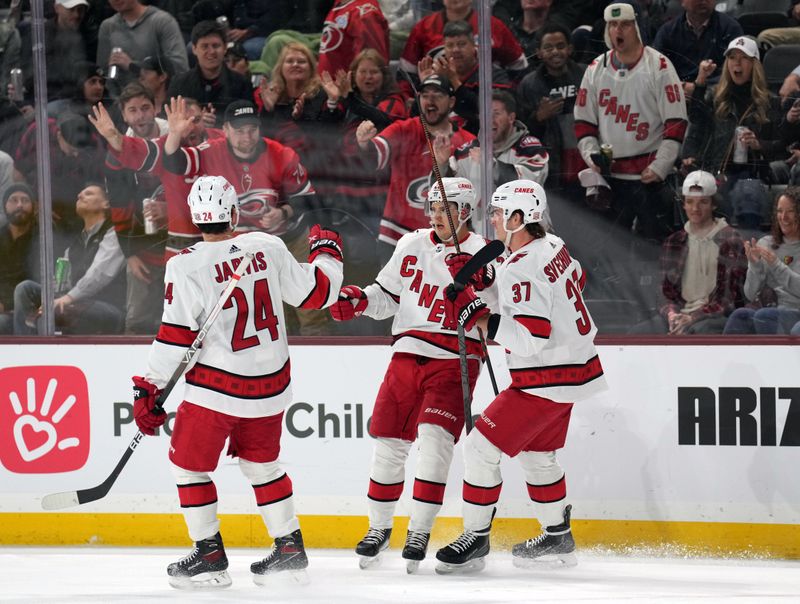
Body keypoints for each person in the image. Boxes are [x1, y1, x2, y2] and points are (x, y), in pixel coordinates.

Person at [130, 175, 344, 589]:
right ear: (232, 212)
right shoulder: (268, 245)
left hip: (217, 391)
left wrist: (148, 387)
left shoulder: (184, 263)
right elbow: (316, 295)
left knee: (188, 469)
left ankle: (209, 556)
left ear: (195, 218)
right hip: (270, 387)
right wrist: (327, 254)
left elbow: (175, 335)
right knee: (262, 466)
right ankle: (289, 548)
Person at [434, 179, 607, 574]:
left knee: (478, 447)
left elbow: (530, 338)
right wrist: (486, 285)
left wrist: (478, 314)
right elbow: (568, 283)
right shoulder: (553, 246)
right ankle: (558, 537)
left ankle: (476, 538)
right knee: (538, 454)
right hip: (574, 370)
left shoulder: (524, 265)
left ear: (518, 217)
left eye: (497, 212)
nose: (491, 219)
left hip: (544, 378)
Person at [329, 177, 499, 572]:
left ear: (466, 212)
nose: (438, 216)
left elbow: (493, 314)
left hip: (456, 355)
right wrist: (359, 301)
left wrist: (476, 280)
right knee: (388, 441)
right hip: (407, 352)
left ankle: (419, 530)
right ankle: (379, 528)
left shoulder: (486, 252)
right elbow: (385, 296)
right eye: (434, 208)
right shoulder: (411, 243)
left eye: (447, 209)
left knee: (435, 441)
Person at [162, 97, 330, 336]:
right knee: (262, 312)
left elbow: (309, 199)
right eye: (240, 131)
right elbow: (175, 163)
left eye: (252, 130)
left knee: (309, 308)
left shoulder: (281, 154)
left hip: (288, 240)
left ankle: (320, 362)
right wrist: (174, 135)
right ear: (225, 131)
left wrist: (283, 212)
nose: (247, 137)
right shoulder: (210, 152)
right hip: (239, 250)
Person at [574, 2, 688, 242]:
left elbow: (676, 122)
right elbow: (583, 122)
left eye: (625, 24)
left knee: (653, 251)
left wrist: (661, 165)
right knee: (612, 254)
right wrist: (593, 157)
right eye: (613, 24)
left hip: (650, 178)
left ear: (637, 27)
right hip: (611, 178)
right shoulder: (595, 69)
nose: (618, 30)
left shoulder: (660, 66)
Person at [682, 37, 798, 230]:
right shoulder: (715, 97)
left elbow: (781, 146)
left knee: (748, 190)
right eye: (732, 57)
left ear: (754, 65)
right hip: (717, 171)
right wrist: (701, 80)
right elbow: (696, 118)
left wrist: (759, 145)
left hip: (753, 174)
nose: (737, 62)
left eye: (744, 58)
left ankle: (745, 252)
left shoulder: (770, 103)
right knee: (704, 192)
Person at [355, 74, 475, 257]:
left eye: (437, 95)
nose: (430, 100)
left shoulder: (467, 142)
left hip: (446, 237)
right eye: (425, 95)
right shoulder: (404, 130)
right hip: (397, 234)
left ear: (451, 102)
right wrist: (364, 144)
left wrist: (444, 165)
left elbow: (472, 196)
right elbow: (375, 154)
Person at [89, 98, 225, 259]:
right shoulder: (166, 147)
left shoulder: (223, 142)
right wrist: (113, 136)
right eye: (183, 122)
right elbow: (137, 151)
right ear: (172, 125)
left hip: (224, 244)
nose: (191, 127)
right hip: (185, 248)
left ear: (204, 117)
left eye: (196, 120)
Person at [629, 170, 747, 334]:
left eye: (703, 202)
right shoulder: (674, 242)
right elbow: (664, 291)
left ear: (713, 204)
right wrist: (671, 314)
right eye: (690, 202)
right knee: (637, 334)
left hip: (712, 316)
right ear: (683, 204)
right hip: (680, 314)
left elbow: (728, 298)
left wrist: (693, 317)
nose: (695, 208)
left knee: (698, 332)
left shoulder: (730, 239)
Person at [13, 184, 126, 335]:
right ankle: (25, 349)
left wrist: (66, 299)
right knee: (25, 289)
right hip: (75, 302)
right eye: (80, 194)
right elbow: (62, 283)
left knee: (47, 318)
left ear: (106, 204)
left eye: (89, 194)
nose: (80, 196)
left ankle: (41, 351)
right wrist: (52, 299)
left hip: (108, 306)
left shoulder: (113, 233)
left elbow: (99, 275)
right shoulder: (73, 246)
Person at [104, 82, 169, 334]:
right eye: (133, 110)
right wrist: (130, 253)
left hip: (184, 247)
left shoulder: (177, 136)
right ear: (123, 115)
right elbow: (119, 207)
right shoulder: (117, 153)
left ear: (156, 108)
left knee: (187, 320)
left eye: (145, 108)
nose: (140, 115)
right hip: (145, 251)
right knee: (137, 322)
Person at [438, 91, 550, 217]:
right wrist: (442, 165)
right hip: (482, 234)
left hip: (528, 234)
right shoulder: (465, 153)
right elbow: (445, 195)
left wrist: (491, 165)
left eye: (496, 114)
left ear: (511, 118)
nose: (490, 120)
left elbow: (527, 187)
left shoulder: (531, 149)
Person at [398, 0, 528, 98]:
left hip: (484, 100)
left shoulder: (493, 26)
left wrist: (509, 98)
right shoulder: (424, 28)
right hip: (438, 100)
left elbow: (519, 67)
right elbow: (406, 74)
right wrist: (410, 99)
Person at [518, 22, 588, 190]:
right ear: (539, 53)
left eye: (560, 46)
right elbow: (520, 130)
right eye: (548, 48)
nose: (555, 51)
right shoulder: (528, 85)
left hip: (584, 159)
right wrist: (539, 118)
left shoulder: (587, 74)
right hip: (551, 166)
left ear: (570, 49)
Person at [723, 188, 800, 334]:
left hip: (796, 313)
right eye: (779, 211)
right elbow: (750, 294)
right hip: (771, 310)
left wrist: (777, 266)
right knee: (741, 316)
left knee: (765, 316)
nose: (783, 217)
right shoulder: (766, 244)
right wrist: (755, 266)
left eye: (790, 211)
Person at [417, 20, 512, 135]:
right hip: (442, 142)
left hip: (479, 142)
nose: (455, 50)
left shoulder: (493, 75)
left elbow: (487, 114)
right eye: (450, 45)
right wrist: (426, 85)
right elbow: (417, 119)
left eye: (461, 44)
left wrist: (454, 81)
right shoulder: (437, 75)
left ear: (474, 46)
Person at [167, 21, 253, 128]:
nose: (211, 51)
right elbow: (168, 121)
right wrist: (196, 121)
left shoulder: (242, 84)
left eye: (216, 46)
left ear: (225, 48)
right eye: (204, 46)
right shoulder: (179, 83)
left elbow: (249, 122)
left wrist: (217, 123)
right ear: (194, 49)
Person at [96, 0, 189, 94]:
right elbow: (103, 74)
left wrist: (133, 66)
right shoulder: (107, 27)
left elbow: (180, 67)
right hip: (121, 101)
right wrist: (116, 101)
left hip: (161, 100)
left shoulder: (162, 21)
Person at [651, 0, 742, 94]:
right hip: (678, 94)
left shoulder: (730, 28)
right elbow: (656, 69)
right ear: (682, 1)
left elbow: (737, 70)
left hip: (717, 94)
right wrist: (679, 86)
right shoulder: (667, 32)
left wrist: (699, 87)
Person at [0, 184, 39, 334]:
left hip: (30, 310)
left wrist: (5, 303)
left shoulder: (43, 237)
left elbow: (37, 282)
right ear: (5, 206)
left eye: (25, 200)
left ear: (34, 207)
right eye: (14, 200)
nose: (19, 205)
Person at [317, 0, 389, 79]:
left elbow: (372, 65)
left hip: (349, 89)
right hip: (333, 87)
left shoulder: (365, 13)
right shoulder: (341, 4)